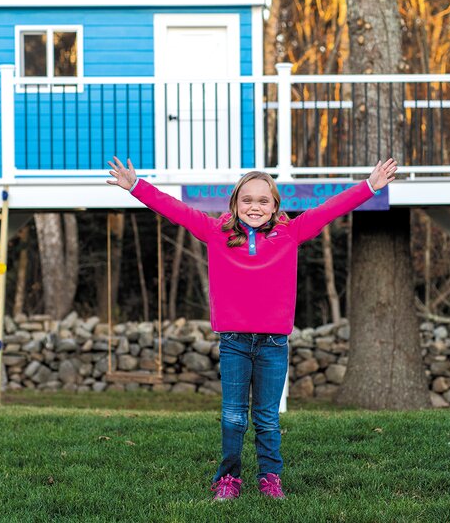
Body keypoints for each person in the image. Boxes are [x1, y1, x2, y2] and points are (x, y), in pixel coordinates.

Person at [107, 157, 398, 500]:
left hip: (274, 344)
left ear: (275, 206)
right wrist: (137, 187)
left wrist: (370, 186)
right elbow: (176, 210)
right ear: (234, 204)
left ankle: (270, 477)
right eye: (247, 200)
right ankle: (228, 479)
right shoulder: (215, 232)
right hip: (234, 342)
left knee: (267, 418)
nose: (254, 207)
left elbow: (330, 209)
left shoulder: (291, 232)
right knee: (232, 417)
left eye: (263, 201)